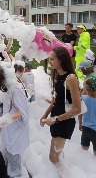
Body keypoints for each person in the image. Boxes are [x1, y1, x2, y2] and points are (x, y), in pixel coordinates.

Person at [40, 47, 81, 175]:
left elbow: (77, 108)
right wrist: (46, 113)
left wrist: (55, 119)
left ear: (61, 60)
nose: (50, 61)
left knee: (53, 157)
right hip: (56, 116)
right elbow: (56, 99)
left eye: (52, 59)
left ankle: (64, 174)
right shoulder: (58, 74)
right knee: (55, 155)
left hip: (64, 120)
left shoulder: (71, 78)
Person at [0, 64, 29, 178]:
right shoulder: (8, 85)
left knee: (14, 153)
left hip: (16, 128)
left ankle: (15, 175)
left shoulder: (16, 89)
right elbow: (9, 101)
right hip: (10, 128)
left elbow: (22, 112)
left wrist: (8, 119)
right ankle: (9, 170)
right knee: (9, 150)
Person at [78, 75, 96, 156]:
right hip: (95, 130)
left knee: (83, 152)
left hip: (85, 129)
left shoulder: (83, 99)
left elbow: (80, 113)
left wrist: (80, 124)